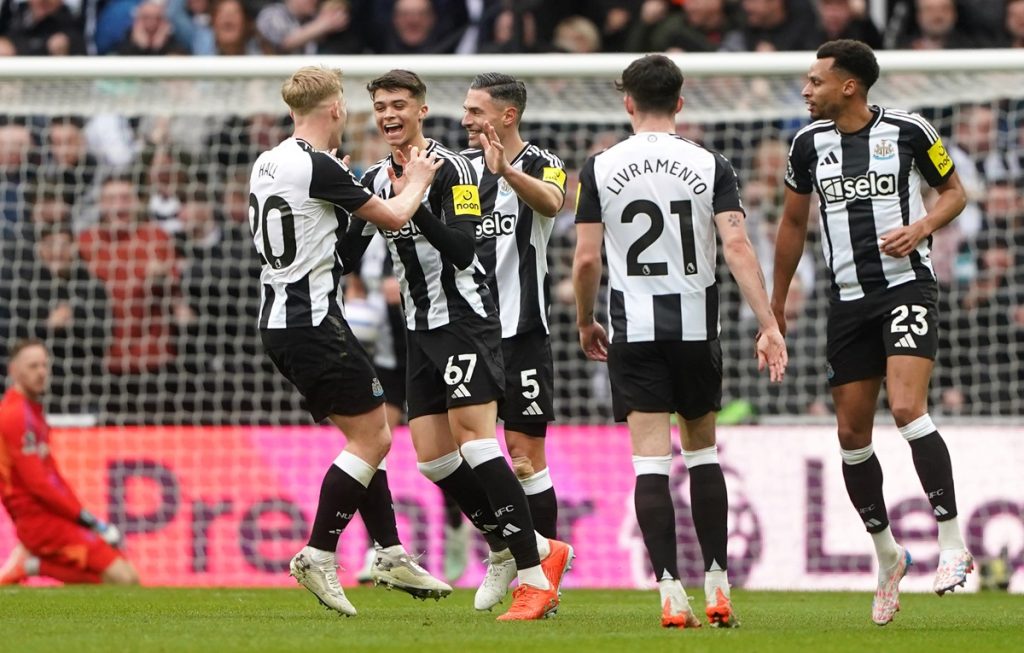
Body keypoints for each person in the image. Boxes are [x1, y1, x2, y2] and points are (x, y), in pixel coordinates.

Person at [341, 69, 572, 621]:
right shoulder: (375, 176)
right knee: (434, 459)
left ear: (422, 111)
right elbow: (349, 254)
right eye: (380, 106)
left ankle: (535, 578)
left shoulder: (457, 169)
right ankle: (518, 546)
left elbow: (465, 248)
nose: (389, 115)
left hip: (467, 322)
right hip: (420, 331)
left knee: (486, 446)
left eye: (400, 104)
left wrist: (412, 203)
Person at [573, 53, 787, 629]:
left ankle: (670, 594)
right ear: (681, 102)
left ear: (627, 102)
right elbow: (738, 247)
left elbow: (588, 257)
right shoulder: (709, 162)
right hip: (696, 330)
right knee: (702, 455)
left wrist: (584, 319)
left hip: (634, 332)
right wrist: (769, 324)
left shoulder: (599, 166)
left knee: (649, 465)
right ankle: (718, 587)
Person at [772, 39, 973, 626]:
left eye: (815, 81)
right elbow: (791, 223)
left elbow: (955, 193)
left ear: (848, 86)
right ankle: (888, 556)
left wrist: (922, 227)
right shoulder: (807, 144)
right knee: (851, 434)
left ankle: (953, 541)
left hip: (906, 287)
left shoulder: (911, 131)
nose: (806, 90)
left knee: (908, 407)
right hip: (847, 303)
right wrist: (776, 309)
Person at [249, 65, 452, 616]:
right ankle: (318, 553)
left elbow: (334, 249)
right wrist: (417, 180)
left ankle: (388, 551)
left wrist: (352, 200)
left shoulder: (268, 162)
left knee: (371, 436)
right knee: (373, 440)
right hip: (312, 322)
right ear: (336, 109)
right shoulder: (317, 167)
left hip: (282, 319)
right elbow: (392, 215)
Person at [459, 73, 565, 605]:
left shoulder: (544, 163)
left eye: (476, 111)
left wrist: (508, 172)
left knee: (524, 457)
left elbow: (551, 203)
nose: (466, 120)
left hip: (522, 332)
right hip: (467, 332)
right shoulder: (459, 172)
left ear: (506, 115)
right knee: (466, 450)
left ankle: (541, 578)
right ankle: (509, 550)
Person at [0, 339, 138, 586]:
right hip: (38, 522)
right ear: (14, 370)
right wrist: (84, 519)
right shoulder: (14, 415)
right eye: (33, 366)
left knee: (115, 579)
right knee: (124, 579)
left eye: (44, 365)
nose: (41, 372)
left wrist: (87, 517)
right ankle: (32, 563)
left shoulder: (33, 411)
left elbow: (53, 476)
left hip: (55, 516)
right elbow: (38, 484)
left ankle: (32, 564)